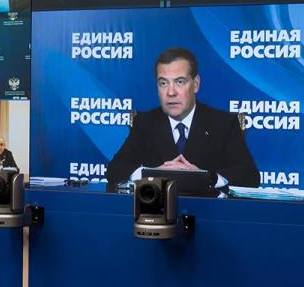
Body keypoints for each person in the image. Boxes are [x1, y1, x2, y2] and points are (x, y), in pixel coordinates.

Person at [105, 47, 260, 188]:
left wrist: (206, 177)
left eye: (179, 82)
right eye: (163, 83)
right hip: (158, 208)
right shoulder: (145, 123)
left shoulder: (223, 124)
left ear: (195, 84)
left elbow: (249, 176)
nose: (171, 92)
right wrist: (152, 173)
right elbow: (114, 170)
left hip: (209, 207)